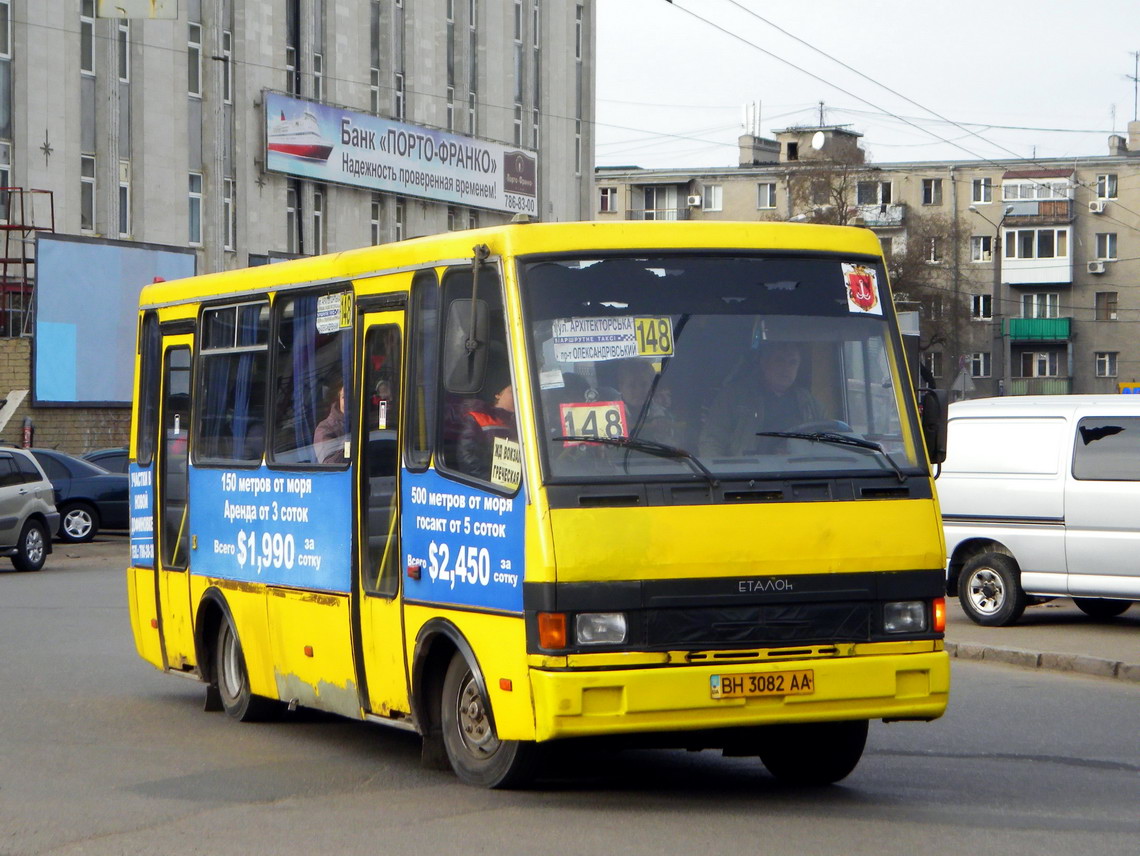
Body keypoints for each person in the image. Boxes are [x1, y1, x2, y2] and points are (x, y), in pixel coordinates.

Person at [699, 343, 822, 456]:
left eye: (793, 362)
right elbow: (711, 441)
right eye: (779, 360)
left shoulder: (809, 403)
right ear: (764, 363)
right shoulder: (734, 396)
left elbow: (827, 443)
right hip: (749, 475)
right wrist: (722, 477)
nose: (786, 368)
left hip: (799, 475)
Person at [455, 366, 517, 480]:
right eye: (513, 391)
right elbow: (468, 458)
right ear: (498, 394)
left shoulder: (525, 423)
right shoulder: (477, 418)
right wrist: (489, 482)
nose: (518, 396)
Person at [313, 382, 347, 463]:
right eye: (344, 397)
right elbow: (330, 464)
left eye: (352, 397)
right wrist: (348, 445)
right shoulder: (325, 428)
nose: (348, 401)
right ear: (338, 400)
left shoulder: (368, 421)